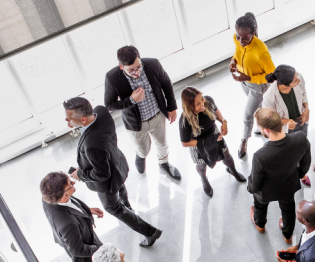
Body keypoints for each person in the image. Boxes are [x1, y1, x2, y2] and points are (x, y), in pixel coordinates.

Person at [64, 97, 162, 247]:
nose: (67, 121)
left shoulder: (92, 144)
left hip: (107, 182)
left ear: (83, 119)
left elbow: (102, 174)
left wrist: (80, 174)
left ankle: (150, 232)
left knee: (113, 207)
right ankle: (128, 207)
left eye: (69, 118)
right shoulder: (101, 111)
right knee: (120, 187)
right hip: (117, 163)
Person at [104, 46, 181, 181]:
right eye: (131, 70)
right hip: (136, 124)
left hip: (158, 115)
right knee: (143, 149)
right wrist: (132, 100)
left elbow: (166, 83)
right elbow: (109, 105)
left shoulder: (153, 64)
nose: (137, 72)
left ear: (140, 57)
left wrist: (172, 107)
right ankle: (141, 156)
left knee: (162, 143)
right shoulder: (112, 77)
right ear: (121, 67)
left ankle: (164, 163)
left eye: (139, 67)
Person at [247, 108, 312, 245]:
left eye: (259, 127)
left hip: (266, 192)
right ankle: (287, 235)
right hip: (288, 185)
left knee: (259, 206)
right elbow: (306, 162)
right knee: (288, 209)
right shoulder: (300, 138)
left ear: (267, 130)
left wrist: (251, 188)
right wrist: (299, 174)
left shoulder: (260, 156)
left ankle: (260, 225)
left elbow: (255, 184)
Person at [179, 87, 246, 198]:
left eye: (202, 100)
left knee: (227, 156)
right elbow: (185, 143)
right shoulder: (185, 120)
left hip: (215, 135)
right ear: (189, 106)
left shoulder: (208, 101)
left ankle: (233, 170)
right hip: (198, 144)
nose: (202, 104)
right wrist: (207, 142)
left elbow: (216, 110)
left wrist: (223, 122)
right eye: (197, 104)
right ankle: (204, 179)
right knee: (201, 165)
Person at [229, 12, 276, 159]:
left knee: (248, 115)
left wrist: (249, 77)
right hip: (243, 82)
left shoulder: (261, 52)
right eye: (238, 36)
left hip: (257, 86)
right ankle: (263, 127)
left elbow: (272, 77)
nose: (240, 40)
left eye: (245, 38)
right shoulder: (237, 38)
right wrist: (233, 62)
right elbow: (237, 53)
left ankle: (244, 140)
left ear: (253, 33)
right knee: (260, 107)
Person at [40, 172, 103, 262]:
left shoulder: (48, 198)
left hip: (78, 235)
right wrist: (99, 249)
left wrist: (87, 211)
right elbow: (77, 250)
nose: (74, 183)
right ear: (62, 196)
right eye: (71, 185)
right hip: (87, 257)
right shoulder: (68, 225)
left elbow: (71, 206)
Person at [262, 64, 312, 186]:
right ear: (284, 85)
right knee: (288, 153)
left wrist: (306, 109)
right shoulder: (269, 97)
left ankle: (302, 173)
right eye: (295, 80)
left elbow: (304, 92)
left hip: (301, 122)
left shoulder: (298, 78)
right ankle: (292, 173)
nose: (298, 79)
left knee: (302, 147)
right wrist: (284, 121)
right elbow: (268, 117)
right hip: (285, 129)